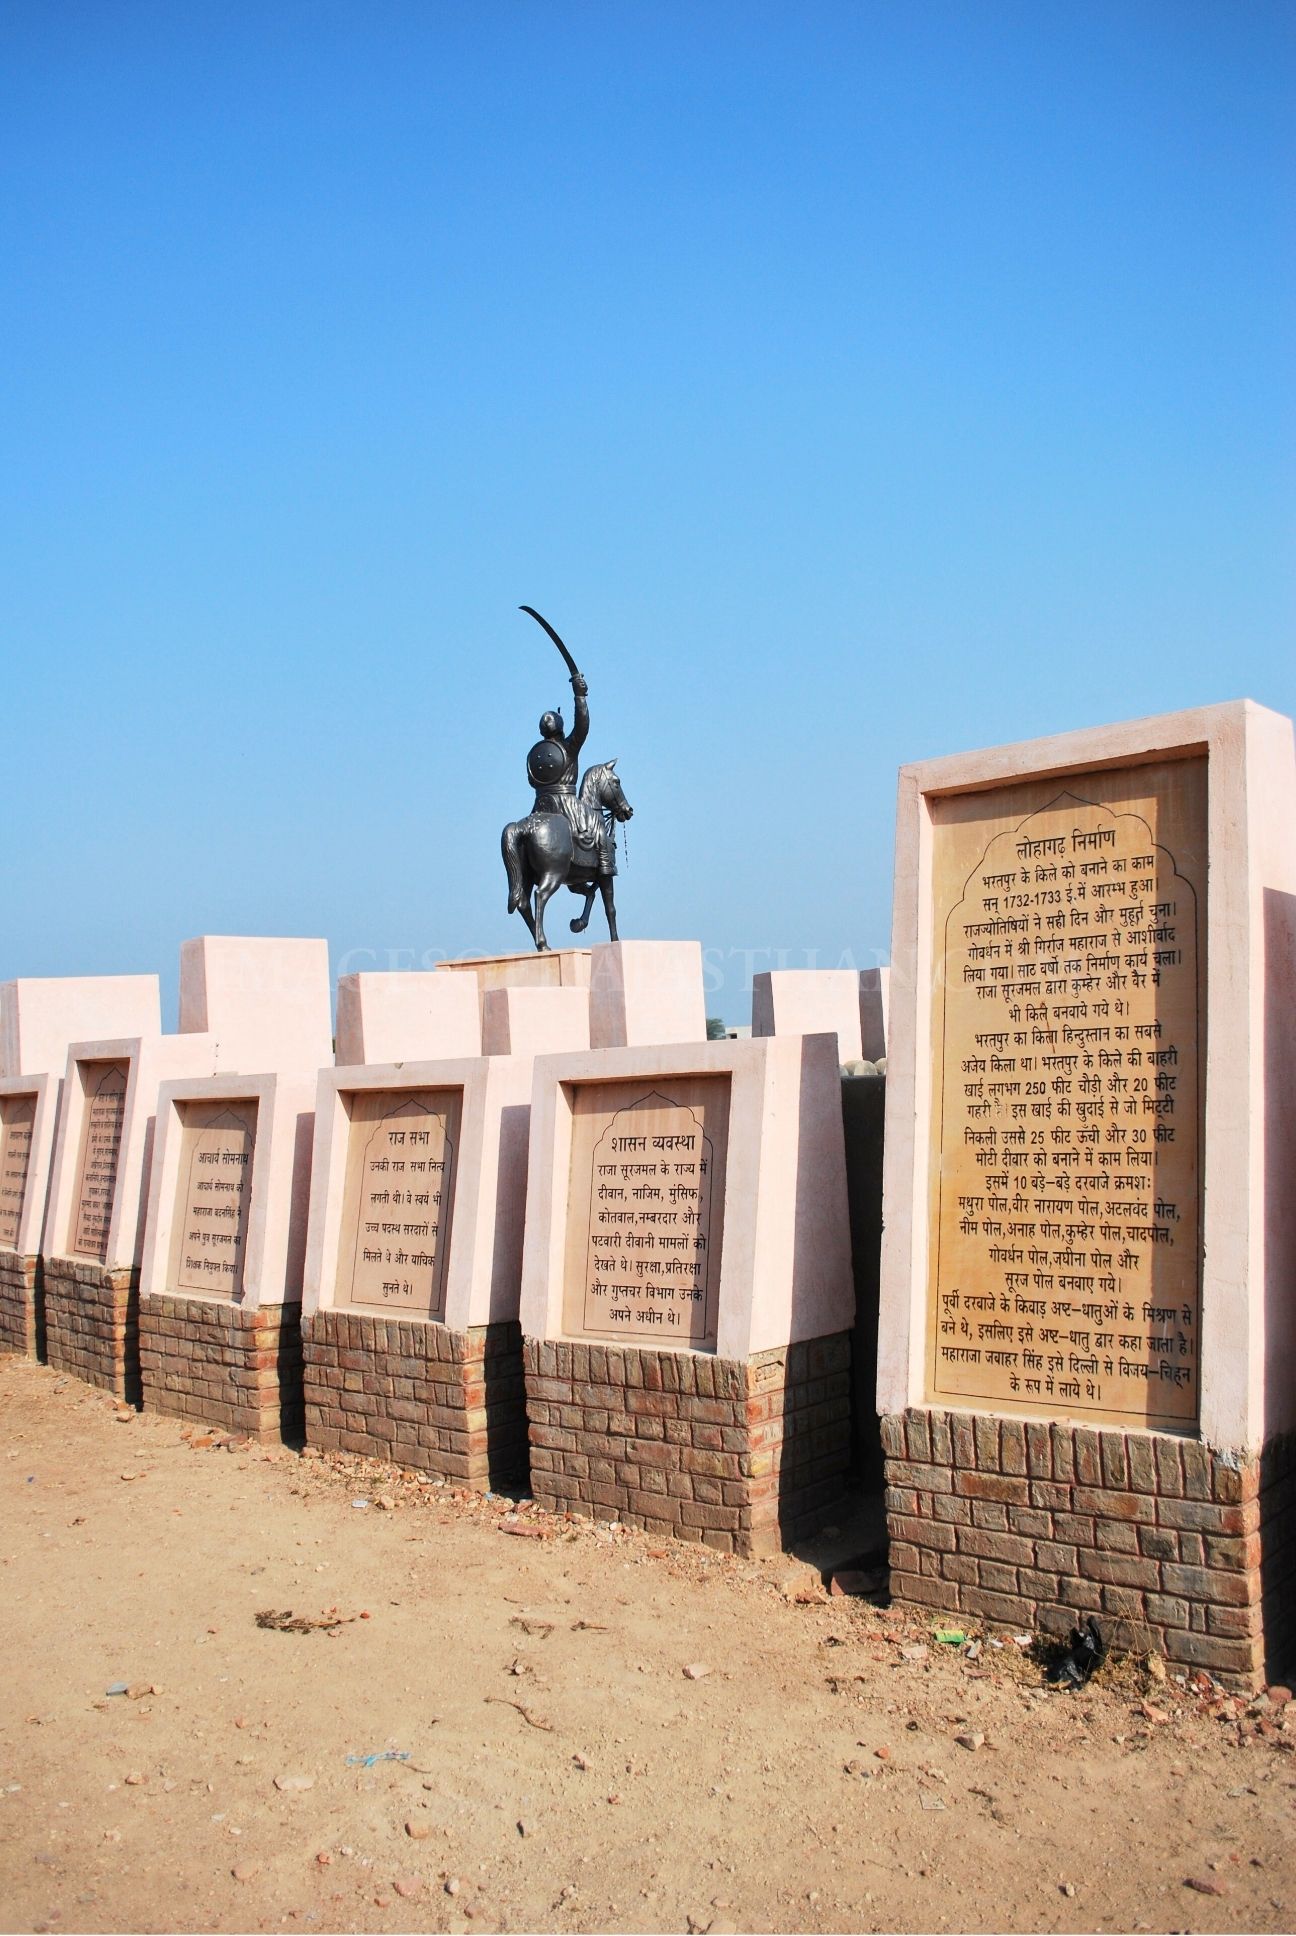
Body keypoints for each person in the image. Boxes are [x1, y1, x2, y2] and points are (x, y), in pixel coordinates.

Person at [524, 671, 614, 873]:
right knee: (597, 823)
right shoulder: (568, 748)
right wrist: (579, 696)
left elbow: (532, 780)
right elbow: (582, 726)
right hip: (567, 805)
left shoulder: (534, 754)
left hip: (540, 806)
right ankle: (605, 865)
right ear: (560, 727)